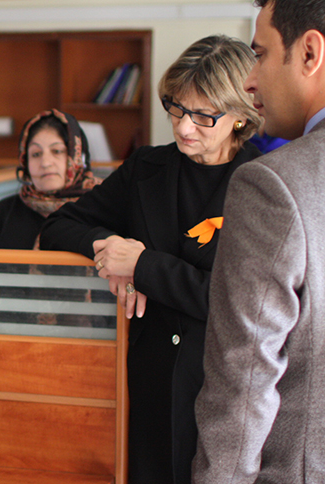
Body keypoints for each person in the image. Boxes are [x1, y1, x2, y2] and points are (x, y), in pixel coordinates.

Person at [39, 35, 263, 484]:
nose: (183, 127)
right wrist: (114, 255)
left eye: (203, 115)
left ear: (240, 115)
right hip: (145, 381)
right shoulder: (147, 167)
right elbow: (59, 227)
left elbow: (235, 301)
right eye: (177, 108)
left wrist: (143, 266)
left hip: (221, 388)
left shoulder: (260, 184)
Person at [192, 2, 325, 482]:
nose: (249, 82)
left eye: (261, 54)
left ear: (310, 52)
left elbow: (243, 386)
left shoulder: (273, 185)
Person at [0, 109, 101, 249]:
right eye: (36, 154)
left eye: (57, 151)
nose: (45, 163)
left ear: (78, 158)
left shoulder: (100, 208)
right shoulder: (4, 213)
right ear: (25, 162)